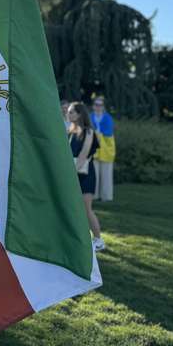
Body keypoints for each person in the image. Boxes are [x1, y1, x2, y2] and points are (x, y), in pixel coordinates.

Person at [67, 101, 105, 252]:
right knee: (74, 208)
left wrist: (70, 174)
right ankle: (78, 238)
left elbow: (83, 155)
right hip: (72, 173)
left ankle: (99, 240)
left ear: (79, 114)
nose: (68, 114)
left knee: (86, 208)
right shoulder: (71, 131)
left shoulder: (89, 132)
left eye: (71, 112)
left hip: (85, 174)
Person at [91, 95, 116, 202]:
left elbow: (109, 132)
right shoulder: (89, 116)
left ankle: (106, 196)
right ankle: (94, 195)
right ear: (93, 106)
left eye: (100, 105)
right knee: (94, 173)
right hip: (93, 148)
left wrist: (98, 134)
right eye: (96, 105)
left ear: (103, 106)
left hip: (106, 149)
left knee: (106, 173)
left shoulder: (108, 118)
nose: (98, 107)